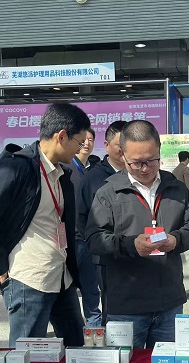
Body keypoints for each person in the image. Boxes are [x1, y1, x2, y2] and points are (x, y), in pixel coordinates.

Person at [0, 103, 91, 347]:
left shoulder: (60, 174)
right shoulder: (16, 167)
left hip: (60, 276)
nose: (81, 148)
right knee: (25, 355)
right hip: (28, 279)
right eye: (79, 141)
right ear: (62, 136)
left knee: (75, 347)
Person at [85, 120, 189, 348]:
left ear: (159, 150)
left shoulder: (176, 188)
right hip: (126, 305)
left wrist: (176, 240)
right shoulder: (108, 193)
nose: (145, 169)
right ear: (122, 155)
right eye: (136, 163)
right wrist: (130, 245)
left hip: (169, 301)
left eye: (151, 160)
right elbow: (94, 239)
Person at [77, 121, 127, 326]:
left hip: (137, 253)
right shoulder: (94, 178)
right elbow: (82, 217)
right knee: (112, 306)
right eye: (119, 145)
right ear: (106, 145)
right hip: (107, 256)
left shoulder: (138, 174)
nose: (125, 150)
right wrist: (98, 243)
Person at [63, 128, 101, 327]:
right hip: (71, 237)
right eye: (83, 139)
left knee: (90, 285)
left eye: (91, 139)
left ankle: (94, 323)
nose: (87, 143)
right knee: (70, 285)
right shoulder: (65, 167)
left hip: (88, 237)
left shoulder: (92, 170)